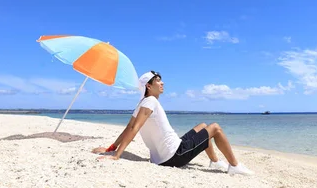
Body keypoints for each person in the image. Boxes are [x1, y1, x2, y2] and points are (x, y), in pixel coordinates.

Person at [92, 71, 253, 175]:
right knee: (215, 128)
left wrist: (112, 149)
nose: (162, 84)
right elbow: (134, 129)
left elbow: (128, 127)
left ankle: (215, 162)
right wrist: (117, 156)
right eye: (158, 81)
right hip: (174, 156)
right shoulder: (150, 102)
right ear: (149, 86)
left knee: (203, 126)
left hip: (165, 154)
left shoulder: (142, 103)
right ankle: (234, 166)